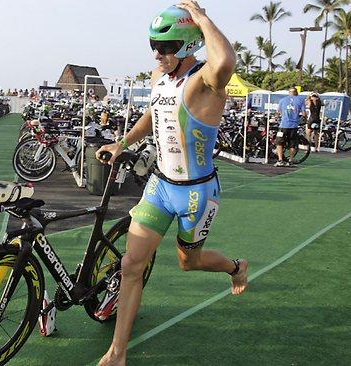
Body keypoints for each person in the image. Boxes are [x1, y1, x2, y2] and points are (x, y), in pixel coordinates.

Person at [96, 2, 247, 365]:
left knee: (188, 263)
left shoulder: (206, 82)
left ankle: (235, 267)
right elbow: (154, 113)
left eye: (166, 47)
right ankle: (117, 352)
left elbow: (225, 61)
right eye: (153, 44)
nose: (157, 54)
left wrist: (202, 18)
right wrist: (124, 142)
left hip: (197, 193)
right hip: (160, 185)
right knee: (132, 265)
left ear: (188, 45)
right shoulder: (158, 77)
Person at [274, 87, 306, 167]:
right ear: (296, 92)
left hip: (283, 125)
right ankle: (290, 161)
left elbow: (278, 112)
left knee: (279, 143)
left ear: (289, 92)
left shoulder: (283, 100)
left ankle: (280, 160)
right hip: (294, 126)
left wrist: (281, 116)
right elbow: (304, 114)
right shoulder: (301, 100)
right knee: (292, 144)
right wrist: (300, 120)